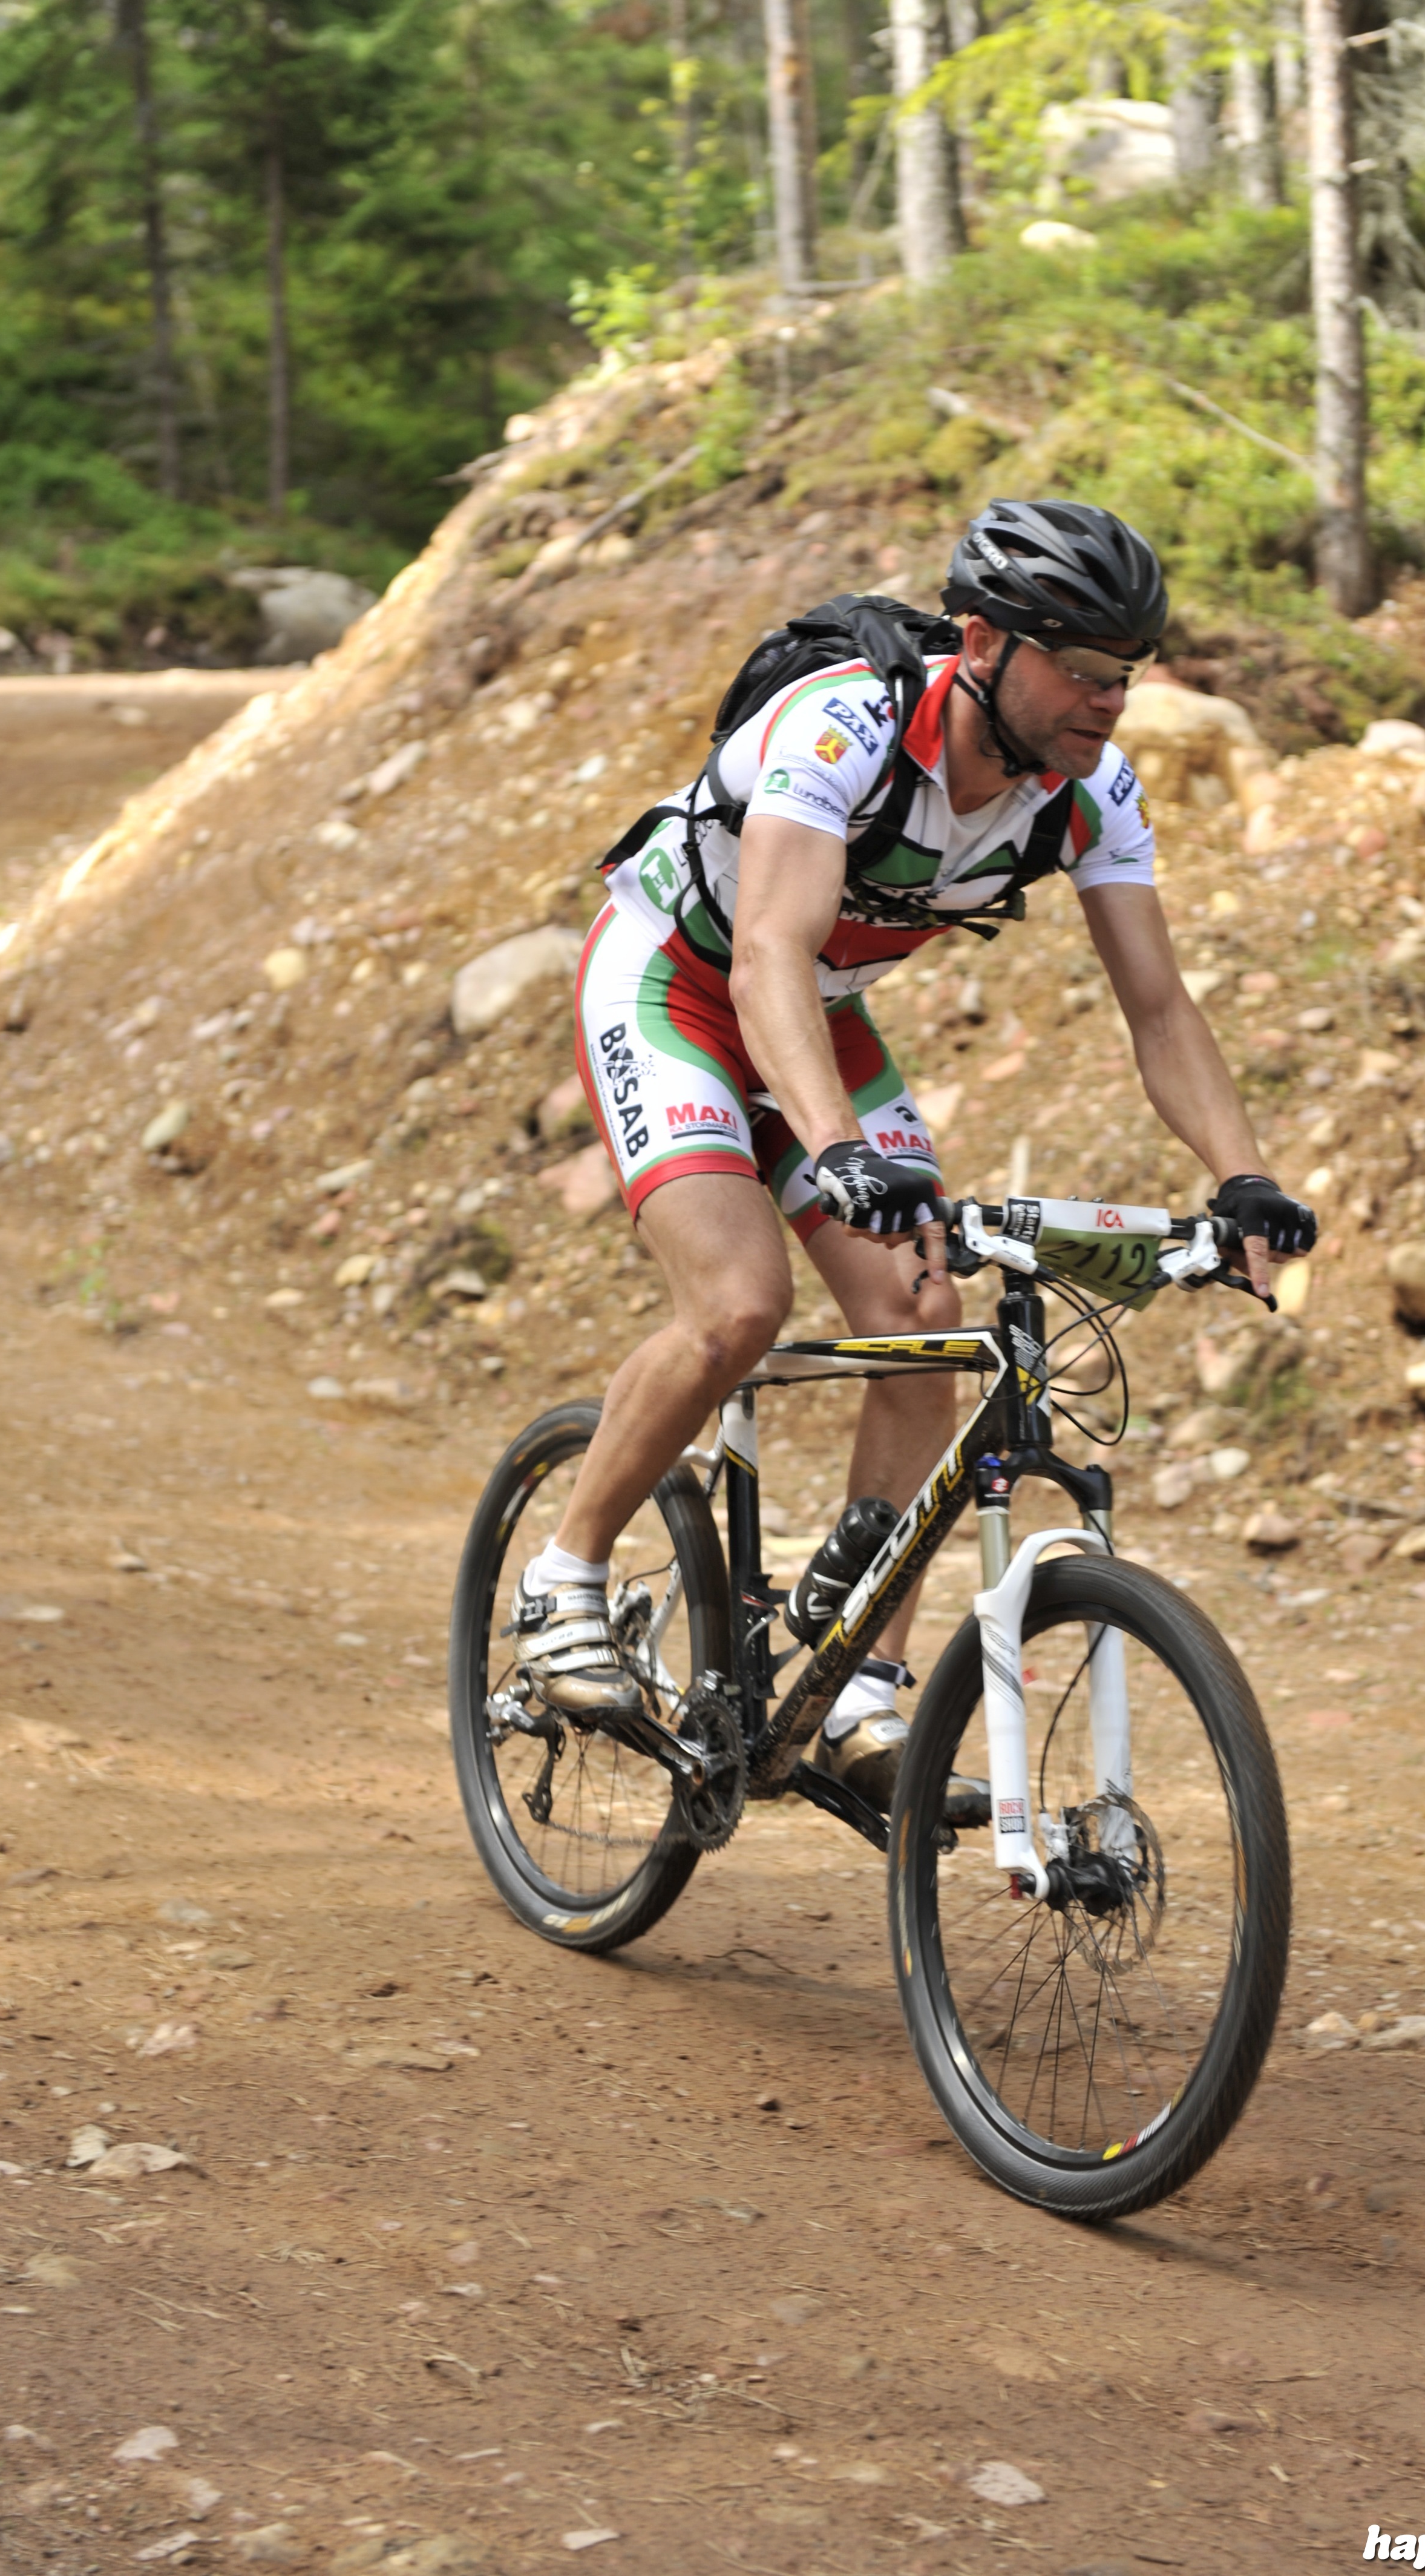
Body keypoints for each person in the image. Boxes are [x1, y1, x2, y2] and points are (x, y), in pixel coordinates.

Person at [512, 498, 1315, 1806]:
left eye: (1128, 673)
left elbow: (1161, 1010)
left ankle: (859, 1696)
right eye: (1082, 668)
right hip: (677, 984)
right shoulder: (845, 724)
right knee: (739, 1304)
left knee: (926, 1316)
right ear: (984, 643)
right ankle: (566, 1579)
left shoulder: (1091, 792)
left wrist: (1243, 1180)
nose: (1110, 701)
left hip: (816, 1016)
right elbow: (767, 949)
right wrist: (835, 1146)